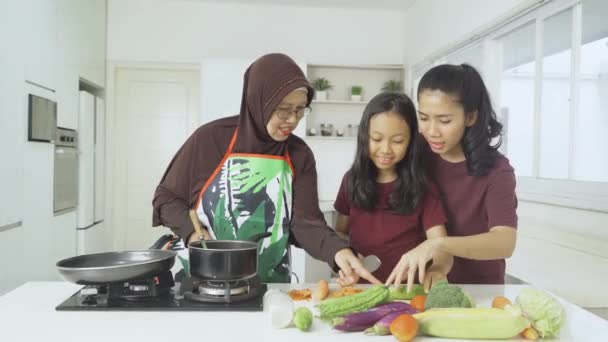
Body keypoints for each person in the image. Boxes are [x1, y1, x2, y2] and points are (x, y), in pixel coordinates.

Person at [152, 53, 379, 284]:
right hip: (201, 279)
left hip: (269, 283)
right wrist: (193, 234)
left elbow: (305, 224)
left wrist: (338, 252)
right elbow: (166, 198)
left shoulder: (299, 154)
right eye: (283, 109)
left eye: (300, 109)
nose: (292, 119)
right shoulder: (211, 139)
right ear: (259, 101)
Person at [398, 63, 517, 284]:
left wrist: (439, 244)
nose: (431, 131)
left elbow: (505, 242)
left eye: (444, 121)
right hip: (422, 285)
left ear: (470, 117)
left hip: (478, 289)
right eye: (423, 118)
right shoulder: (417, 152)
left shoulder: (497, 171)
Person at [333, 92, 452, 290]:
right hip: (361, 289)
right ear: (365, 136)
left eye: (397, 141)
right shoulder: (351, 180)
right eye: (377, 139)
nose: (386, 149)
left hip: (407, 292)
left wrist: (438, 268)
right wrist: (348, 255)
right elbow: (339, 233)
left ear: (411, 142)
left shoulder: (423, 187)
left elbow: (442, 246)